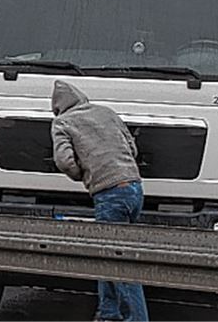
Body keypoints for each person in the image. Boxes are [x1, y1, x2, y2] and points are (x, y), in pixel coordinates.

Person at [50, 80, 148, 322]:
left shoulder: (62, 122)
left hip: (109, 193)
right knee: (108, 256)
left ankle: (136, 319)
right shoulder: (106, 112)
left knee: (119, 263)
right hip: (134, 188)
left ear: (58, 107)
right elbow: (132, 148)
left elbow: (64, 161)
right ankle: (108, 313)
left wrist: (82, 174)